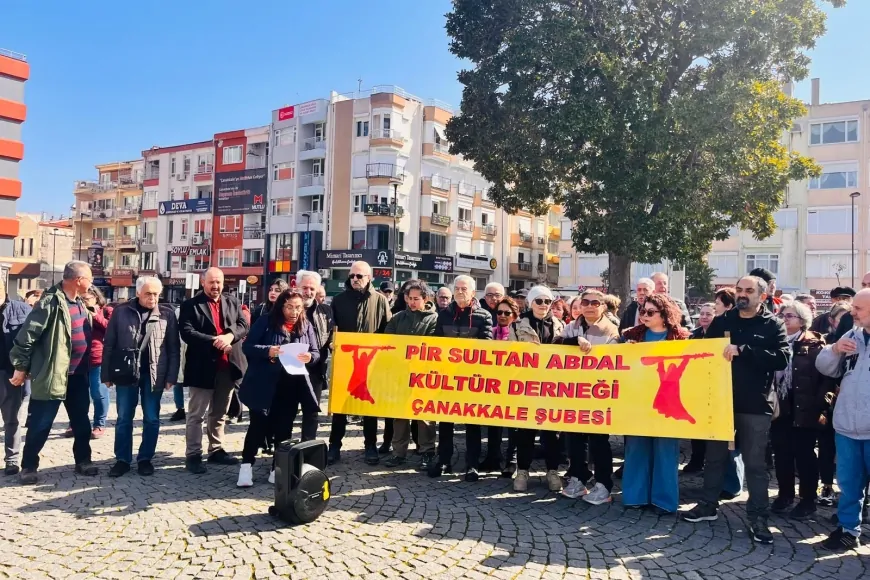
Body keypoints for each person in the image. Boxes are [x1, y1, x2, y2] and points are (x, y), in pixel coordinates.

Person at [682, 275, 789, 546]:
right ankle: (708, 505)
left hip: (755, 404)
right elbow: (704, 354)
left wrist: (745, 350)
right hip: (720, 402)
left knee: (755, 464)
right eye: (739, 290)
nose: (742, 294)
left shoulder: (773, 325)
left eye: (749, 291)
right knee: (715, 457)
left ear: (762, 296)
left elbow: (782, 359)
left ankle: (758, 516)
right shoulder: (723, 321)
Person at [11, 261, 97, 484]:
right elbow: (27, 336)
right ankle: (29, 466)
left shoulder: (79, 303)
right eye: (90, 278)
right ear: (78, 280)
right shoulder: (50, 303)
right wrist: (20, 366)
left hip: (78, 375)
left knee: (81, 423)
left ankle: (83, 460)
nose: (92, 283)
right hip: (52, 376)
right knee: (40, 424)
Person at [238, 289, 320, 487]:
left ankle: (277, 468)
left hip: (291, 386)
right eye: (290, 307)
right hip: (264, 384)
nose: (294, 312)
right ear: (282, 305)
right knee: (257, 427)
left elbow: (316, 352)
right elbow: (247, 347)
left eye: (298, 308)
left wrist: (310, 357)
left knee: (284, 429)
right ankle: (246, 466)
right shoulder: (266, 321)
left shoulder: (306, 325)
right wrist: (269, 351)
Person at [103, 277, 180, 477]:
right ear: (138, 293)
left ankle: (145, 458)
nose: (152, 298)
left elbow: (173, 348)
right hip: (126, 373)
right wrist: (106, 373)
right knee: (123, 418)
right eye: (148, 293)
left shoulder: (167, 315)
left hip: (155, 374)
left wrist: (171, 375)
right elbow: (109, 344)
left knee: (152, 418)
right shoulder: (121, 312)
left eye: (156, 294)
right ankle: (122, 459)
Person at [620, 294, 690, 514]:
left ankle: (663, 501)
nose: (644, 316)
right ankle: (634, 496)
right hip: (638, 401)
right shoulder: (631, 336)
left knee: (665, 451)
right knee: (636, 449)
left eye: (651, 312)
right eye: (643, 311)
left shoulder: (681, 338)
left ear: (665, 314)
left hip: (669, 402)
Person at [179, 267, 249, 474]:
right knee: (196, 415)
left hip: (228, 366)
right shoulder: (190, 305)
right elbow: (187, 332)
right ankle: (193, 454)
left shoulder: (232, 301)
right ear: (203, 282)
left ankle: (216, 449)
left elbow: (243, 324)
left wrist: (229, 336)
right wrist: (214, 341)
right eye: (211, 282)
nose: (216, 286)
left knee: (219, 412)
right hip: (202, 367)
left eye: (219, 282)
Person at [768, 302, 834, 520]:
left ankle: (808, 500)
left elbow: (827, 380)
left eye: (790, 316)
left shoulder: (815, 345)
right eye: (782, 315)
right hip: (780, 407)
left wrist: (819, 406)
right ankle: (785, 494)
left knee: (805, 456)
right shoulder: (774, 342)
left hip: (805, 409)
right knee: (782, 454)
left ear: (802, 320)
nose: (785, 319)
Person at [815, 288, 870, 551]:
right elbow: (824, 366)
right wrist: (835, 349)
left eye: (858, 308)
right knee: (848, 484)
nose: (852, 312)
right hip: (847, 425)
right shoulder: (853, 335)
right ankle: (849, 530)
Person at [429, 275, 493, 480]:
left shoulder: (484, 316)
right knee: (445, 421)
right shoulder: (444, 314)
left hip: (472, 379)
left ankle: (472, 464)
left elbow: (487, 347)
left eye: (464, 289)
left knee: (472, 423)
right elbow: (437, 342)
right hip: (448, 377)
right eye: (457, 288)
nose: (460, 292)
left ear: (473, 293)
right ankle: (444, 460)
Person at [327, 261, 392, 466]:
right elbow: (331, 330)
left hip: (370, 362)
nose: (355, 279)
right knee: (340, 407)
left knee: (368, 407)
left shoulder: (380, 301)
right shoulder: (338, 300)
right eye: (352, 276)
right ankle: (334, 445)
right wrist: (331, 343)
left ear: (369, 278)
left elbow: (387, 330)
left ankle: (370, 446)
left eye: (359, 276)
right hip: (346, 362)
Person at [557, 289, 618, 504]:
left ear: (602, 306)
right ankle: (578, 478)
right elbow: (555, 346)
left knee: (599, 441)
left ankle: (603, 485)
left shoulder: (611, 330)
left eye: (595, 302)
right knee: (574, 440)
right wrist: (575, 341)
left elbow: (615, 360)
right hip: (573, 393)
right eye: (586, 302)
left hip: (598, 394)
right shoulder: (572, 326)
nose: (590, 306)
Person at [509, 285, 564, 492]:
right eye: (538, 301)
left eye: (547, 301)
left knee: (552, 433)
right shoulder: (517, 326)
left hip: (553, 387)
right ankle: (522, 470)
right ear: (531, 302)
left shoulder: (561, 325)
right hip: (527, 386)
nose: (543, 305)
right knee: (525, 431)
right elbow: (510, 356)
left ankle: (552, 471)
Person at [383, 280, 438, 469]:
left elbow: (432, 345)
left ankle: (427, 451)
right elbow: (389, 341)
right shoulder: (398, 318)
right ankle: (398, 452)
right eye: (410, 298)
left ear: (425, 299)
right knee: (400, 415)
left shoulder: (433, 319)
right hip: (400, 374)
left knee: (424, 414)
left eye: (416, 299)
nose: (412, 302)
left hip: (424, 375)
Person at [297, 270, 334, 442]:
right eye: (305, 288)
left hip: (315, 370)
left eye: (312, 288)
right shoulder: (287, 308)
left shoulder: (326, 311)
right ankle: (282, 453)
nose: (308, 292)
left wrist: (333, 344)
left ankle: (307, 448)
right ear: (297, 287)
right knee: (286, 413)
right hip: (289, 369)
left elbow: (331, 335)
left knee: (311, 412)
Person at [0, 290, 31, 476]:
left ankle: (11, 460)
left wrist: (25, 368)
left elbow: (30, 341)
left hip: (11, 373)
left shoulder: (21, 310)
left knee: (12, 419)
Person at [683, 303, 716, 474]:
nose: (703, 317)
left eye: (708, 314)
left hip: (714, 386)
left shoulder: (720, 336)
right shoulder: (693, 335)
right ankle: (696, 460)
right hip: (696, 386)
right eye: (702, 314)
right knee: (696, 428)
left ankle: (711, 463)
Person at [491, 296, 520, 477]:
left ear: (514, 315)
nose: (502, 315)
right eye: (499, 312)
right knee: (494, 423)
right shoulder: (491, 332)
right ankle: (494, 456)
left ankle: (512, 460)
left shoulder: (519, 334)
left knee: (513, 426)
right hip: (494, 384)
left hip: (514, 384)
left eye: (506, 313)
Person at [81, 286, 112, 439]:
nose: (83, 302)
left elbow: (112, 329)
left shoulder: (106, 311)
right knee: (78, 395)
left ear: (96, 298)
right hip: (77, 359)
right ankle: (77, 423)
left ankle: (99, 423)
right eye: (81, 299)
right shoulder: (76, 309)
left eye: (86, 299)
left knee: (98, 392)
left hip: (98, 358)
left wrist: (95, 315)